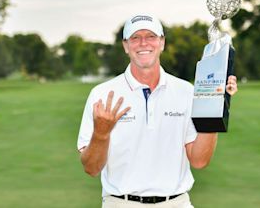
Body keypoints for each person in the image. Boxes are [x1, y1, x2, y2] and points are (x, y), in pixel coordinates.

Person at [77, 14, 238, 208]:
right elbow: (92, 168)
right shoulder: (102, 95)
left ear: (162, 42)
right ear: (126, 46)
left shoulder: (186, 92)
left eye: (151, 36)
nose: (143, 42)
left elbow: (199, 160)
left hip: (177, 203)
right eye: (135, 38)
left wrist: (214, 105)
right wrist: (101, 134)